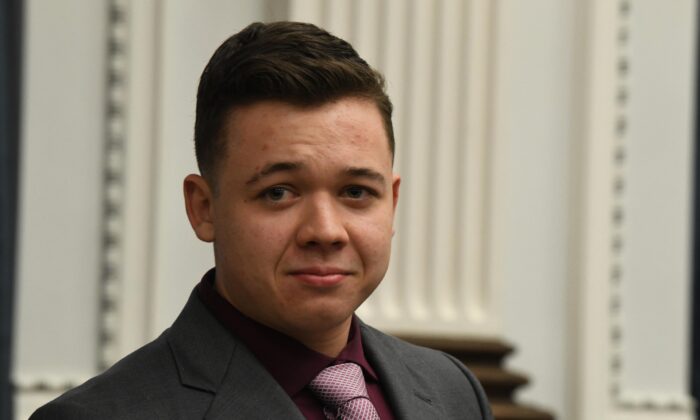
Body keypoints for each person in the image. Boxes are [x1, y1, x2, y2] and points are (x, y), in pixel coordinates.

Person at [31, 21, 492, 419]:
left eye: (356, 192)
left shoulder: (453, 392)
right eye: (279, 193)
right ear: (203, 208)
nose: (326, 231)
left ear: (391, 201)